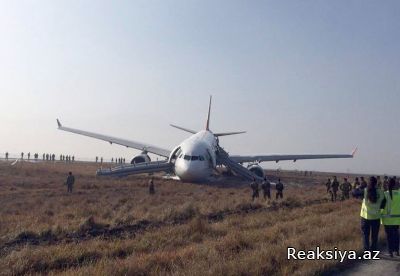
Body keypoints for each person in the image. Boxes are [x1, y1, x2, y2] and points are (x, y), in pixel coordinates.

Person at [360, 176, 384, 252]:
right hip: (376, 217)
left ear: (368, 182)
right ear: (376, 183)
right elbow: (383, 202)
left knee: (365, 235)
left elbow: (354, 192)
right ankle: (373, 250)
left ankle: (366, 250)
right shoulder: (380, 192)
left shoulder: (365, 190)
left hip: (365, 217)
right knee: (374, 235)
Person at [380, 177, 400, 257]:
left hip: (387, 219)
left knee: (389, 236)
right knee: (396, 235)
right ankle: (397, 251)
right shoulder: (399, 194)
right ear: (395, 184)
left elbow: (381, 207)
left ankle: (390, 252)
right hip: (397, 219)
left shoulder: (385, 194)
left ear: (387, 184)